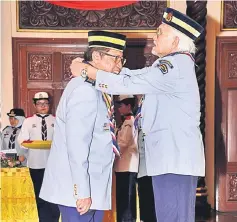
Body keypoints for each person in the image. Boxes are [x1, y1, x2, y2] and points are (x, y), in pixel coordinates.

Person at [70, 7, 205, 222]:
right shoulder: (172, 65)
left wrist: (87, 71)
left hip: (173, 160)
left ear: (176, 42)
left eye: (160, 32)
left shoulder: (173, 65)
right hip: (168, 160)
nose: (154, 36)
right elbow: (132, 75)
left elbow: (128, 81)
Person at [39, 31, 127, 222]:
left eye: (122, 59)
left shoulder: (97, 86)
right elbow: (77, 146)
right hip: (80, 193)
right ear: (96, 56)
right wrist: (82, 192)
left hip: (92, 187)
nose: (119, 66)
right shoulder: (85, 90)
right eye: (116, 59)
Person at [18, 92, 60, 222]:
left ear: (50, 104)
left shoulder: (56, 120)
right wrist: (25, 148)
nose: (43, 106)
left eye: (45, 103)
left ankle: (54, 218)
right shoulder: (28, 122)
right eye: (40, 104)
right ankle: (43, 219)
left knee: (54, 194)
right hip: (36, 164)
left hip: (54, 164)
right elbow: (22, 141)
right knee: (40, 195)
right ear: (34, 105)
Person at [114, 95, 139, 222]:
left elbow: (123, 144)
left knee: (127, 202)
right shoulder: (125, 122)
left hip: (128, 167)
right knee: (122, 201)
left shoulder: (129, 122)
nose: (119, 108)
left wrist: (110, 153)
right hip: (122, 167)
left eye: (121, 105)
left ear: (128, 106)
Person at [135, 95, 157, 222]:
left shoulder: (149, 105)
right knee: (144, 201)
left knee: (150, 203)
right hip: (142, 167)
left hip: (150, 167)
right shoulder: (140, 109)